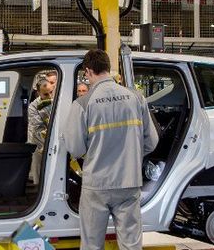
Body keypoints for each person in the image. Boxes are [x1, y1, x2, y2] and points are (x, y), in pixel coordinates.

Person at [61, 49, 159, 250]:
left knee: (92, 245)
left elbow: (75, 148)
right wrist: (132, 156)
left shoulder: (83, 103)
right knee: (131, 244)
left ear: (88, 71)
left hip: (97, 184)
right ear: (107, 68)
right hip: (129, 183)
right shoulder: (136, 98)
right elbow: (151, 142)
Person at [27, 75, 54, 185]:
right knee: (38, 170)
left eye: (50, 93)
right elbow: (38, 125)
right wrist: (45, 109)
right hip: (38, 142)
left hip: (52, 141)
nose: (49, 96)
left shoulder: (56, 101)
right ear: (38, 93)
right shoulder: (33, 107)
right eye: (45, 94)